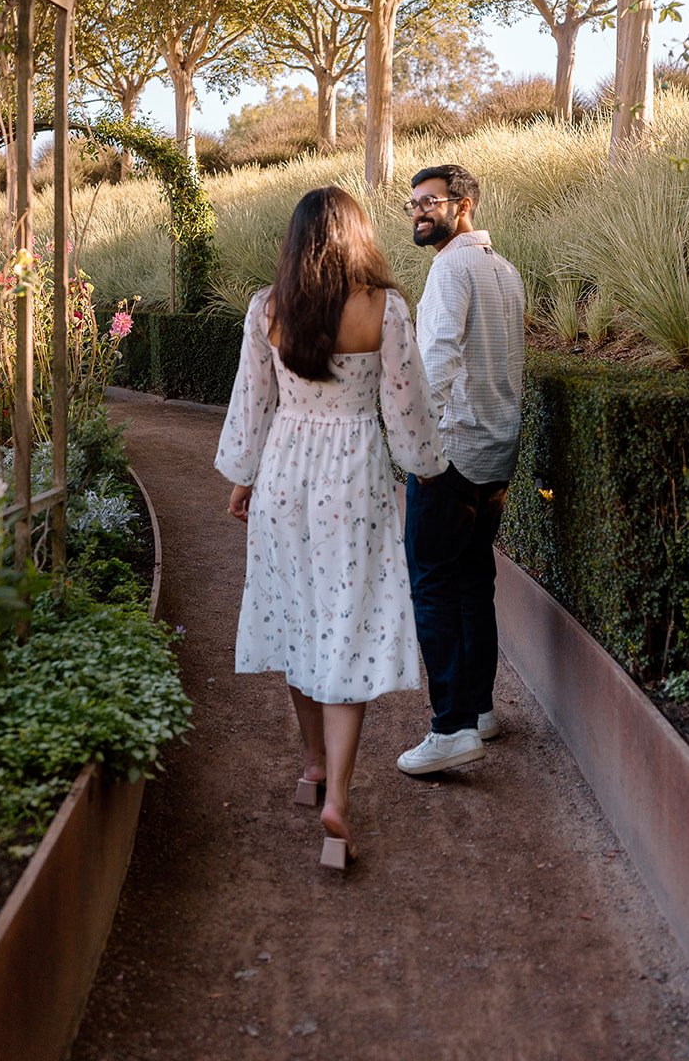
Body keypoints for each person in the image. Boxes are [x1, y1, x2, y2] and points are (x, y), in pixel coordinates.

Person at [215, 185, 445, 869]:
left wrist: (243, 476)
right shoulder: (384, 308)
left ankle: (311, 762)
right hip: (353, 476)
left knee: (295, 612)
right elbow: (405, 408)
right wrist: (425, 466)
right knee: (347, 621)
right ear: (357, 235)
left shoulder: (268, 308)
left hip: (285, 470)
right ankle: (337, 797)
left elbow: (251, 406)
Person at [397, 162, 525, 777]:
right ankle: (477, 711)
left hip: (450, 455)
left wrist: (421, 449)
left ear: (465, 203)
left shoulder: (451, 269)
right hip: (496, 453)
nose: (419, 211)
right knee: (474, 581)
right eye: (413, 203)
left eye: (431, 201)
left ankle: (449, 729)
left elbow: (439, 361)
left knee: (432, 585)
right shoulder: (505, 272)